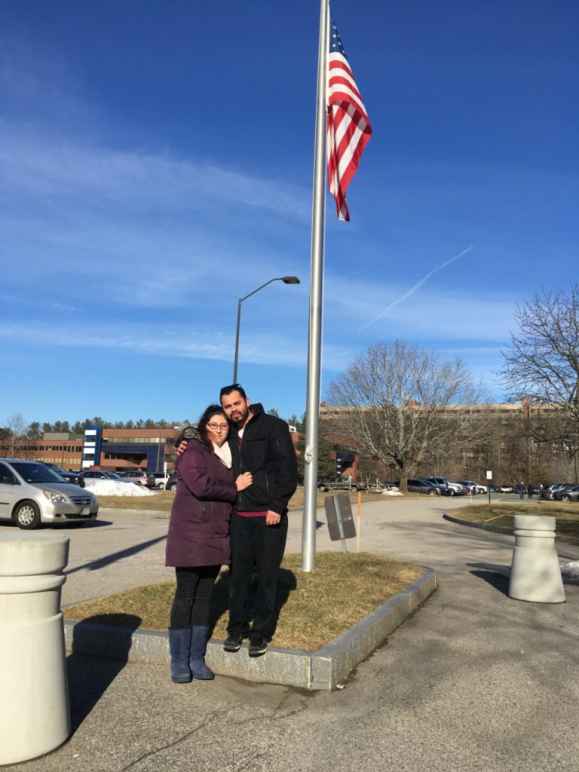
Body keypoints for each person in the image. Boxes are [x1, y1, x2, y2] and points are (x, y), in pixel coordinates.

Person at [165, 405, 252, 684]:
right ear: (204, 426)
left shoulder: (228, 456)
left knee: (205, 598)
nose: (218, 430)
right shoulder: (193, 451)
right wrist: (234, 489)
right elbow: (200, 486)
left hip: (215, 535)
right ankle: (178, 660)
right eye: (214, 425)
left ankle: (195, 658)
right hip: (190, 535)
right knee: (185, 596)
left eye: (223, 426)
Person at [219, 384, 298, 658]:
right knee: (238, 577)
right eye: (228, 406)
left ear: (247, 401)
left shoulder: (273, 427)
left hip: (268, 517)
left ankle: (260, 633)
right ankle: (236, 629)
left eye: (236, 404)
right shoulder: (226, 431)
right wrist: (185, 438)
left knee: (266, 577)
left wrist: (277, 505)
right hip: (239, 518)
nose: (233, 410)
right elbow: (203, 432)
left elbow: (287, 469)